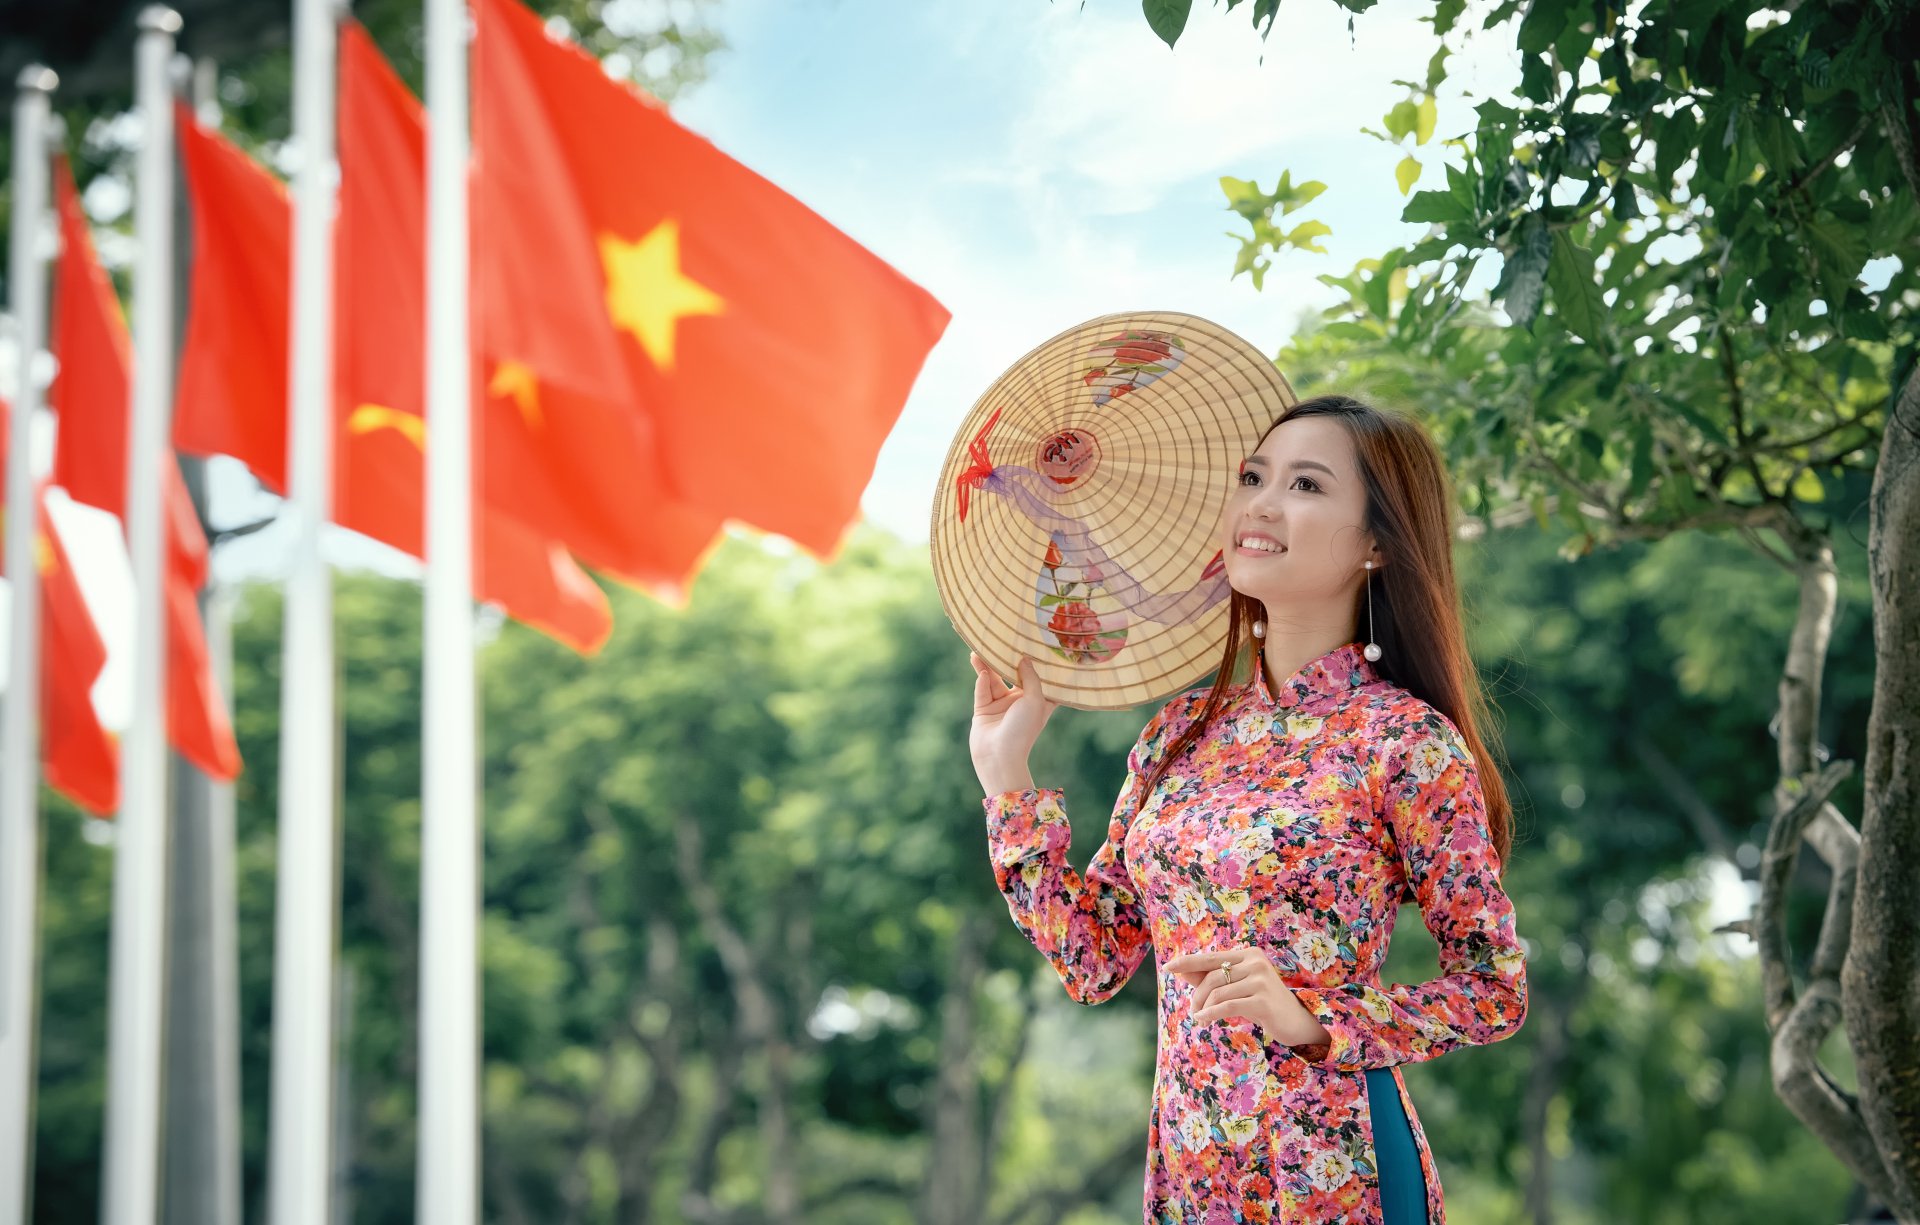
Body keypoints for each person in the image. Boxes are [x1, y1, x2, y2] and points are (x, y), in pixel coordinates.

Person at [968, 394, 1528, 1225]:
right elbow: (1092, 958)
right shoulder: (1178, 734)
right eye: (1252, 477)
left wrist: (1315, 1016)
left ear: (1376, 541)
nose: (1261, 503)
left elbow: (1494, 988)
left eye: (1305, 485)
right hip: (1190, 1174)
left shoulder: (1405, 743)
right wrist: (1004, 770)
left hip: (1337, 1172)